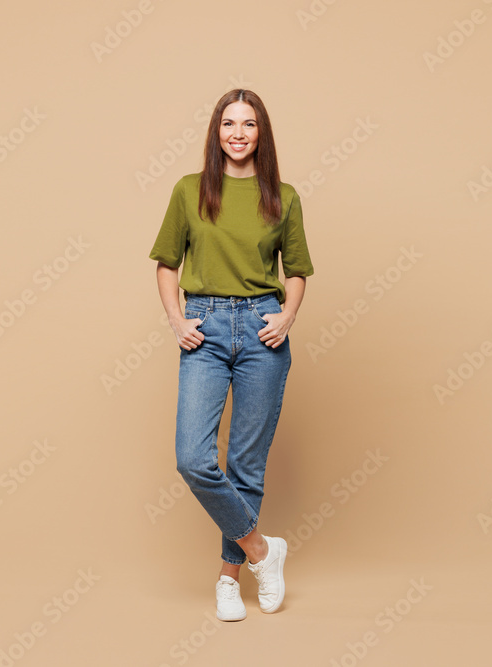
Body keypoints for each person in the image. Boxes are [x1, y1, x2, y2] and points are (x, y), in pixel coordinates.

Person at [149, 88, 314, 621]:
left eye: (248, 124)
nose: (238, 133)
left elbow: (297, 270)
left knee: (245, 462)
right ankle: (263, 550)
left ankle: (228, 579)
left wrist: (287, 316)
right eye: (228, 123)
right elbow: (167, 263)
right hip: (206, 327)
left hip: (263, 330)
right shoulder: (190, 190)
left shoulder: (282, 196)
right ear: (215, 132)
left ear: (261, 133)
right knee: (194, 459)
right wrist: (177, 319)